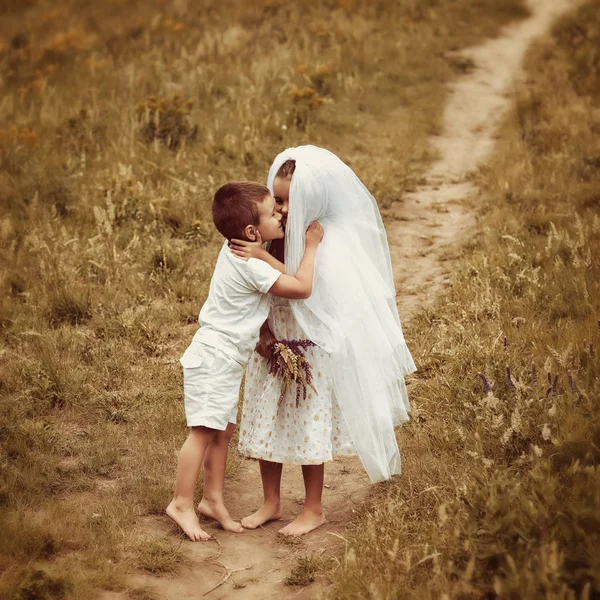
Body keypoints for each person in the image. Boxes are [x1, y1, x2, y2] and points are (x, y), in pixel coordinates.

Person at [232, 146, 416, 536]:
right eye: (275, 199)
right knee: (269, 424)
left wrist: (266, 260)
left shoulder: (322, 239)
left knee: (306, 428)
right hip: (273, 345)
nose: (279, 208)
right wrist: (263, 334)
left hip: (307, 350)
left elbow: (306, 288)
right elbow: (259, 290)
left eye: (286, 200)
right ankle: (271, 501)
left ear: (311, 199)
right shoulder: (271, 235)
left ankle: (314, 508)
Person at [166, 181, 324, 542]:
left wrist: (265, 251)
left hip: (224, 357)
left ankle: (213, 500)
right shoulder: (250, 263)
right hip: (214, 357)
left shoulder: (237, 245)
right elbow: (301, 287)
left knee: (222, 431)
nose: (280, 213)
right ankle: (181, 503)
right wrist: (311, 246)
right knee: (203, 432)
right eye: (273, 212)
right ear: (252, 232)